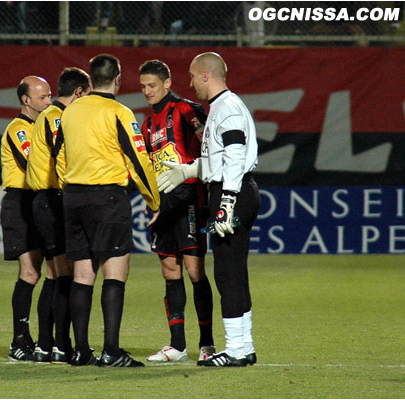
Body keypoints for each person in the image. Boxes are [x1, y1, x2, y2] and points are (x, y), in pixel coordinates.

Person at [55, 53, 160, 367]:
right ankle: (111, 351)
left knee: (82, 274)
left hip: (73, 198)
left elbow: (58, 154)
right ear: (118, 79)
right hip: (107, 198)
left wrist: (68, 187)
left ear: (89, 79)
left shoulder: (70, 113)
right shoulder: (120, 112)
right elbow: (138, 159)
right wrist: (153, 199)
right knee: (115, 273)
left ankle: (80, 351)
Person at [157, 52, 260, 367]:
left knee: (227, 272)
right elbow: (220, 159)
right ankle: (243, 346)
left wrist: (226, 202)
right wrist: (187, 171)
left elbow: (234, 156)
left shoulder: (226, 108)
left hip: (232, 193)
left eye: (191, 76)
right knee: (233, 272)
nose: (189, 83)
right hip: (235, 189)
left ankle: (236, 349)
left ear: (205, 75)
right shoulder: (225, 107)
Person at [138, 59, 216, 363]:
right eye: (143, 86)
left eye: (152, 86)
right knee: (169, 271)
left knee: (195, 271)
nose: (147, 91)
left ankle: (207, 344)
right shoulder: (146, 124)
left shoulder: (186, 110)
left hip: (188, 202)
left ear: (167, 83)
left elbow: (208, 146)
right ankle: (178, 346)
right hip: (162, 207)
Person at [26, 67, 92, 364]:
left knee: (54, 274)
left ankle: (46, 345)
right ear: (78, 93)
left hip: (46, 200)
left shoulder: (50, 115)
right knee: (64, 274)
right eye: (87, 95)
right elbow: (60, 152)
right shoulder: (56, 116)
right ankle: (60, 345)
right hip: (53, 199)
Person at [0, 76, 55, 361]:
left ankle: (49, 340)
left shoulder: (44, 126)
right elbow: (32, 163)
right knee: (30, 273)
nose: (49, 101)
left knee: (52, 272)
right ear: (26, 100)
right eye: (43, 97)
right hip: (21, 202)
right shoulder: (19, 129)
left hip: (41, 201)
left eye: (49, 96)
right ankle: (19, 341)